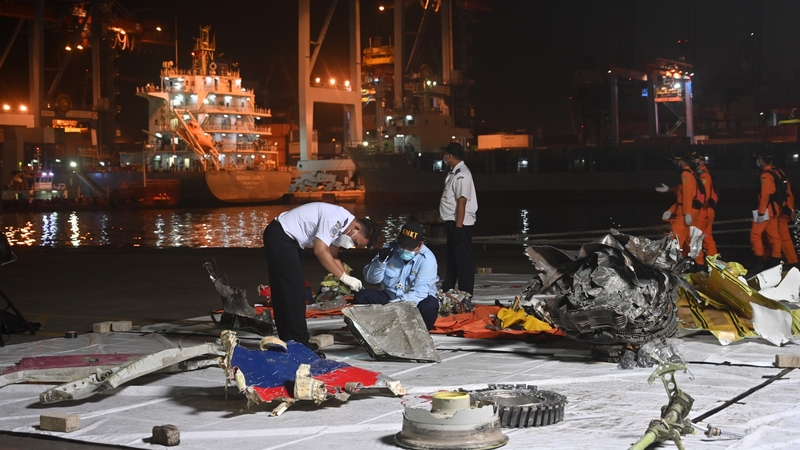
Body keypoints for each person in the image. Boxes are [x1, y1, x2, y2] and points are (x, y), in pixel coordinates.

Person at [263, 202, 379, 351]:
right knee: (295, 291)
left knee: (285, 290)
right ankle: (299, 343)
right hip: (281, 236)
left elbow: (333, 256)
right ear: (356, 228)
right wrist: (344, 277)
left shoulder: (343, 227)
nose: (352, 245)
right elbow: (320, 251)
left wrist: (348, 278)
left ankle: (289, 340)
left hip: (285, 239)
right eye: (355, 242)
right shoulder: (336, 219)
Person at [355, 222, 440, 330]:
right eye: (402, 245)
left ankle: (419, 331)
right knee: (361, 296)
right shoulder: (389, 249)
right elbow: (371, 279)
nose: (405, 249)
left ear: (420, 245)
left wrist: (391, 306)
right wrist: (380, 261)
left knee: (430, 305)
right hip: (390, 297)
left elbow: (419, 293)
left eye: (410, 247)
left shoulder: (428, 259)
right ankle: (377, 327)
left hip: (414, 303)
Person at [439, 141, 478, 296]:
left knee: (463, 260)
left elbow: (462, 201)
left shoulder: (462, 175)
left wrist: (459, 227)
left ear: (450, 156)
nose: (444, 157)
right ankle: (447, 287)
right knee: (453, 258)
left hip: (461, 223)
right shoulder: (454, 173)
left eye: (445, 154)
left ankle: (465, 292)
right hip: (454, 222)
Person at [661, 154, 703, 264]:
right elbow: (682, 197)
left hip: (685, 213)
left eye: (675, 162)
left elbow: (687, 196)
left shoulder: (685, 175)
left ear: (680, 161)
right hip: (688, 211)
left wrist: (687, 213)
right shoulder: (689, 174)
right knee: (691, 239)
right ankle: (699, 264)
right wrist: (671, 210)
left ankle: (670, 264)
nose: (674, 164)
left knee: (675, 238)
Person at [750, 154, 783, 269]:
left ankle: (760, 261)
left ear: (761, 160)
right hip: (774, 209)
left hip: (767, 209)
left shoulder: (765, 176)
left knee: (755, 234)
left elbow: (765, 195)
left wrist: (761, 213)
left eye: (758, 160)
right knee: (774, 237)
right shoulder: (774, 173)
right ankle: (776, 260)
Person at [689, 150, 718, 259]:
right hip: (707, 210)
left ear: (701, 161)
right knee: (707, 238)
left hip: (703, 211)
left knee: (696, 237)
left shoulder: (703, 175)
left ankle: (699, 263)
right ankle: (713, 262)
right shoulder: (701, 174)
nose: (693, 161)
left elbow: (704, 195)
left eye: (695, 159)